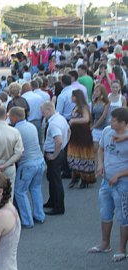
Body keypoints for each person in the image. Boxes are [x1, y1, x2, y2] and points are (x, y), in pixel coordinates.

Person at [88, 108, 128, 262]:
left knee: (123, 217)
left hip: (123, 184)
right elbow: (101, 149)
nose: (110, 122)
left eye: (114, 120)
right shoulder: (107, 131)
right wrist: (100, 165)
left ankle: (122, 249)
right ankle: (105, 244)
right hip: (106, 181)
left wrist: (119, 175)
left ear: (124, 123)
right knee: (105, 212)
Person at [9, 107, 45, 228]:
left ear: (14, 117)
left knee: (20, 191)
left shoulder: (15, 130)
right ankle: (40, 215)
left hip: (27, 164)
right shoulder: (31, 126)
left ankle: (27, 220)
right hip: (39, 160)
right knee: (36, 188)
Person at [41, 102, 70, 215]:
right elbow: (68, 131)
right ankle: (52, 201)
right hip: (58, 151)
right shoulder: (61, 118)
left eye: (43, 112)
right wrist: (64, 146)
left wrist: (54, 155)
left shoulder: (53, 124)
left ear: (49, 109)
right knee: (52, 178)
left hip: (53, 153)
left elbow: (58, 140)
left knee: (56, 180)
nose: (43, 115)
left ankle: (58, 207)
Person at [67, 90, 96, 188]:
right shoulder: (76, 107)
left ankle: (85, 178)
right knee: (74, 155)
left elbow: (86, 119)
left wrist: (73, 121)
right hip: (75, 134)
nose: (71, 98)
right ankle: (75, 176)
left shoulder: (83, 106)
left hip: (83, 134)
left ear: (77, 97)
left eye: (73, 96)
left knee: (83, 155)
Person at [91, 84, 110, 175]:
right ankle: (95, 169)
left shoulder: (106, 102)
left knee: (104, 149)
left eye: (97, 91)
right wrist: (91, 125)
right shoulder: (94, 101)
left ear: (102, 92)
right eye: (95, 91)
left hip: (103, 127)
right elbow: (92, 115)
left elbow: (103, 117)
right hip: (95, 127)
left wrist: (93, 126)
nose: (95, 93)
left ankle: (103, 167)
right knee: (95, 148)